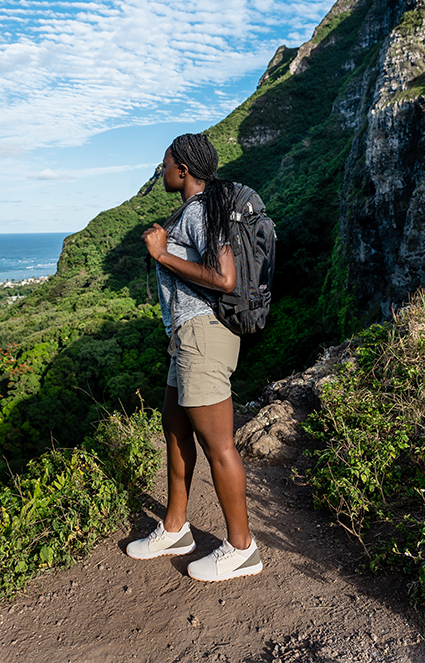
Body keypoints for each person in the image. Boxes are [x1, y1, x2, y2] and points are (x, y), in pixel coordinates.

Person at [126, 133, 262, 582]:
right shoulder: (194, 211)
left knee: (218, 444)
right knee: (174, 428)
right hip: (187, 336)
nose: (161, 168)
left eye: (165, 161)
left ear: (183, 170)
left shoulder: (203, 211)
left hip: (203, 335)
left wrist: (162, 255)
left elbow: (225, 278)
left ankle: (242, 548)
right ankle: (175, 529)